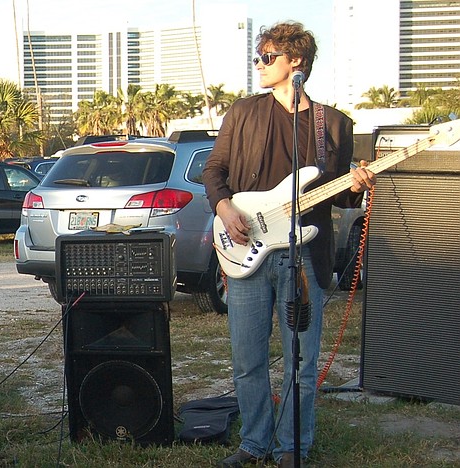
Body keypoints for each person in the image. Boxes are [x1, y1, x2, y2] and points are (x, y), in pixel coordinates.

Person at [202, 22, 375, 468]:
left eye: (267, 56)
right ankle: (254, 442)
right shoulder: (242, 113)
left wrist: (355, 186)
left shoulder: (333, 124)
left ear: (295, 61)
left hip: (304, 257)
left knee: (302, 362)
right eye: (258, 57)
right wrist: (224, 208)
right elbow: (214, 170)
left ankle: (290, 447)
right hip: (248, 251)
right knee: (248, 359)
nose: (258, 64)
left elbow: (337, 193)